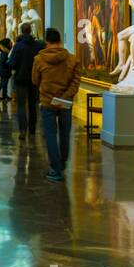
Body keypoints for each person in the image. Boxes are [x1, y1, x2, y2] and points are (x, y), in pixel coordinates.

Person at [33, 27, 82, 182]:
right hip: (65, 102)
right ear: (60, 40)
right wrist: (65, 96)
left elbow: (35, 80)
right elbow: (76, 82)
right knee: (64, 133)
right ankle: (62, 162)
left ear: (46, 41)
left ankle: (55, 168)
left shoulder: (39, 59)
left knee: (50, 134)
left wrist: (47, 91)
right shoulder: (72, 59)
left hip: (47, 101)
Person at [8, 22, 42, 138]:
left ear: (22, 32)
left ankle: (23, 130)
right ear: (30, 31)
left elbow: (12, 62)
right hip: (34, 79)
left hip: (21, 78)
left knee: (21, 105)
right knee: (33, 105)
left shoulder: (18, 46)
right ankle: (32, 130)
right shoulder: (37, 45)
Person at [0, 36, 13, 106]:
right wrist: (9, 62)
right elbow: (3, 61)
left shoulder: (6, 51)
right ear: (7, 44)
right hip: (4, 70)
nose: (11, 43)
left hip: (5, 70)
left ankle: (5, 96)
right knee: (3, 83)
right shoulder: (5, 52)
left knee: (5, 83)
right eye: (10, 42)